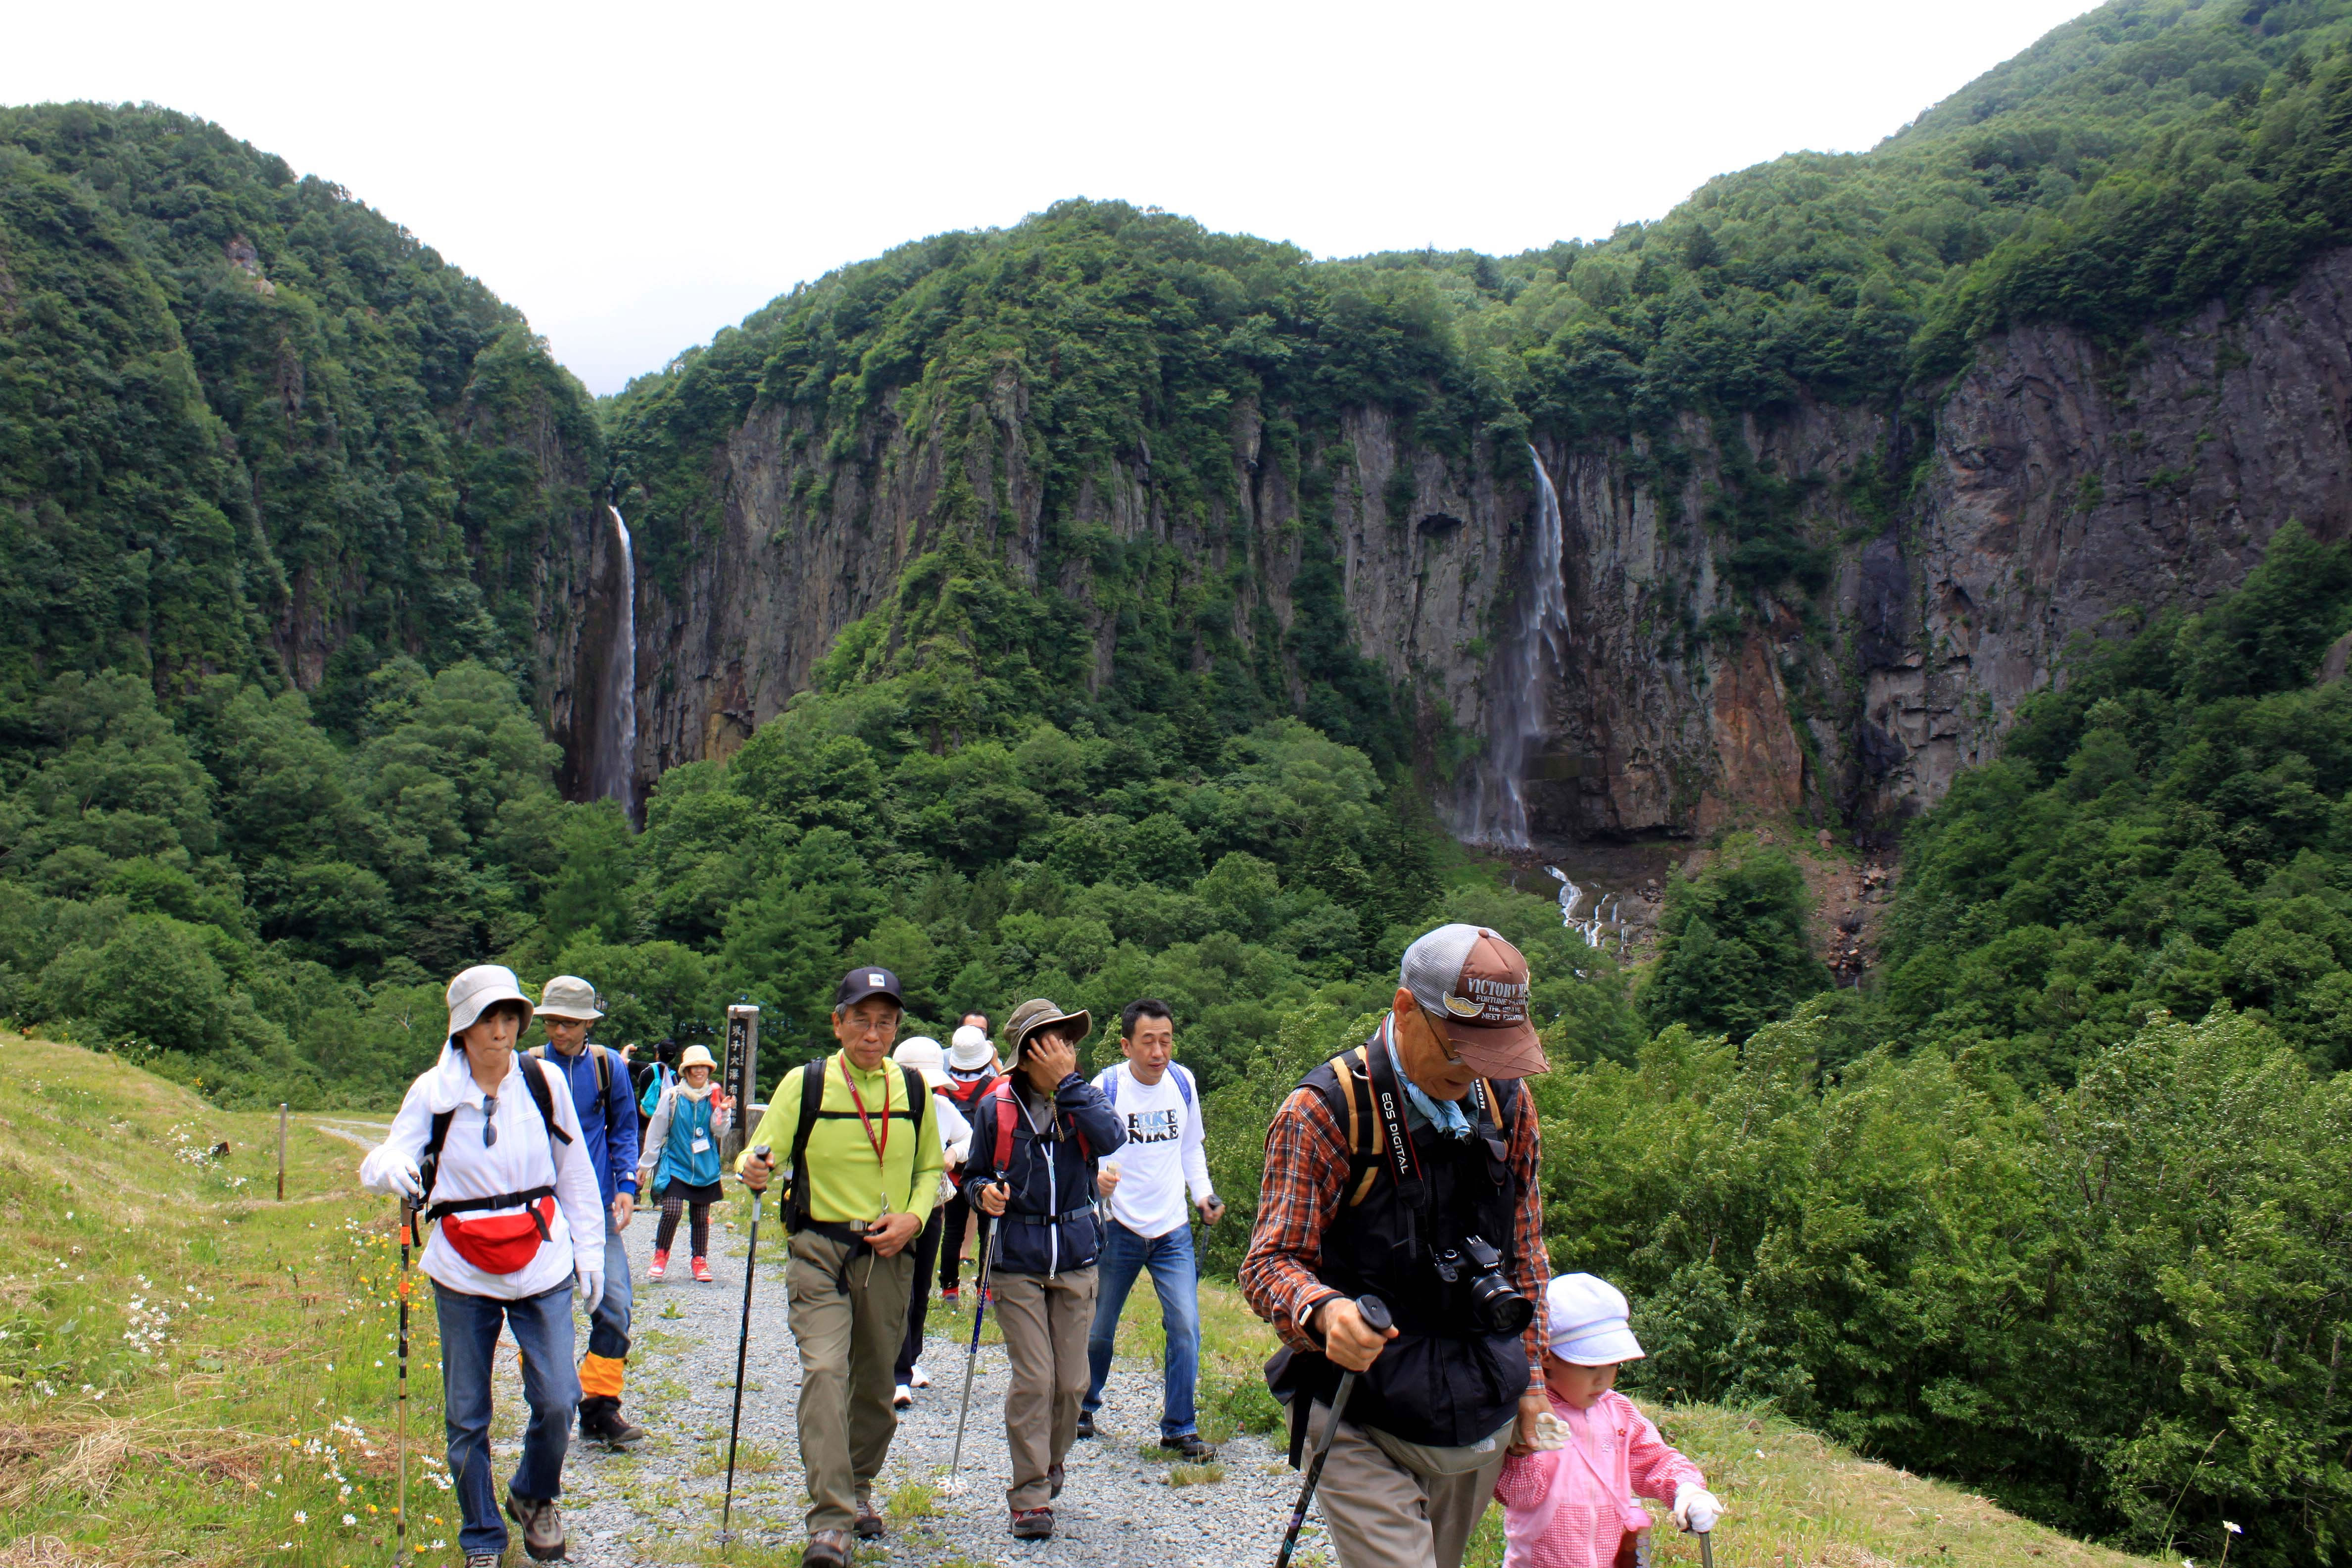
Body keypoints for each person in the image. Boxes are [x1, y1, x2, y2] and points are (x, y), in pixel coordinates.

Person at [1240, 923, 1555, 1568]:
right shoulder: (1327, 1111)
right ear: (1405, 1009)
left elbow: (1525, 1250)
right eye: (1462, 1049)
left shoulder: (1508, 1104)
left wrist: (1534, 1382)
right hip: (1359, 1408)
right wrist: (1324, 1314)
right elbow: (1270, 1262)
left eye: (1495, 1055)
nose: (1475, 1073)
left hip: (1476, 1407)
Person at [360, 966, 604, 1568]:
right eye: (486, 1019)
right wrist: (390, 1169)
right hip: (462, 1267)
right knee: (467, 1412)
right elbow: (388, 1154)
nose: (500, 1031)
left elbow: (573, 1174)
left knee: (558, 1397)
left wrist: (590, 1249)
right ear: (461, 1031)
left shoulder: (542, 1080)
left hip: (541, 1258)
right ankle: (482, 1537)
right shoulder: (433, 1092)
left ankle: (533, 1494)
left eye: (508, 1018)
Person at [737, 968, 945, 1568]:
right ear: (838, 1022)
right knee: (826, 1373)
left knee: (878, 1387)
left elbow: (931, 1170)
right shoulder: (806, 1085)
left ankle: (858, 1486)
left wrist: (913, 1217)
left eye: (885, 1022)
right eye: (861, 1019)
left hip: (888, 1255)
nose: (873, 1033)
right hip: (819, 1252)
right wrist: (754, 1168)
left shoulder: (913, 1089)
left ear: (896, 1027)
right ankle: (831, 1522)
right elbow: (763, 1153)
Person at [965, 999, 1126, 1541]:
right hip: (1017, 1262)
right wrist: (983, 1193)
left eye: (1069, 1042)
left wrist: (1070, 1084)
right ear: (1028, 1053)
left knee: (1073, 1383)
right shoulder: (997, 1107)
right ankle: (1030, 1493)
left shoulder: (1084, 1100)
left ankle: (1053, 1462)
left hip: (1077, 1257)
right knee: (1036, 1379)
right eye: (1053, 1043)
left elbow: (1112, 1138)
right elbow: (974, 1175)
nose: (1065, 1051)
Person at [1494, 1274, 1724, 1568]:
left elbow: (1654, 1460)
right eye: (1590, 1365)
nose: (1604, 1379)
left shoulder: (1619, 1412)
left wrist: (1686, 1489)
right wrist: (1523, 1450)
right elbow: (1519, 1496)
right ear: (1546, 1356)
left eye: (1613, 1364)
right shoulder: (1532, 1417)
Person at [1078, 998, 1223, 1456]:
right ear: (1127, 1045)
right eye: (1148, 1042)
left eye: (1166, 1040)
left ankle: (1179, 1426)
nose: (1159, 1051)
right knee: (1100, 1328)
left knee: (1186, 1325)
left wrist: (1203, 1194)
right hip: (1119, 1226)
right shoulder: (1107, 1087)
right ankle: (1083, 1405)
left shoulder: (1183, 1083)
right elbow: (1085, 1150)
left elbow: (1190, 1148)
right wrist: (1095, 1180)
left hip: (1172, 1229)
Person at [526, 976, 644, 1449]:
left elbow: (624, 1127)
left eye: (570, 1023)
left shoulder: (607, 1066)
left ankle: (599, 1405)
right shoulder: (527, 1067)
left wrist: (626, 1185)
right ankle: (548, 1405)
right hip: (539, 1215)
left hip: (595, 1211)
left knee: (615, 1305)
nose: (560, 1031)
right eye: (553, 1021)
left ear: (588, 1024)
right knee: (541, 1310)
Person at [887, 1035, 973, 1408]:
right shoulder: (884, 1106)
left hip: (933, 1204)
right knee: (895, 1288)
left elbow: (970, 1138)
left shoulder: (941, 1106)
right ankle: (895, 1371)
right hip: (891, 1206)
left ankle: (910, 1360)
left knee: (921, 1286)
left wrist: (953, 1152)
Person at [636, 1043, 733, 1282]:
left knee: (701, 1217)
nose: (700, 1071)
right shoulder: (672, 1097)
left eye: (704, 1067)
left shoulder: (715, 1096)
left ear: (709, 1070)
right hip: (676, 1163)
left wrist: (723, 1112)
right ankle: (661, 1255)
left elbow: (719, 1132)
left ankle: (699, 1260)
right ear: (686, 1071)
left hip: (705, 1165)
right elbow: (657, 1130)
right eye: (694, 1067)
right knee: (671, 1210)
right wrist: (645, 1166)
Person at [935, 1023, 1001, 1305]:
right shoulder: (997, 1085)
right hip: (986, 1172)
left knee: (953, 1230)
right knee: (988, 1229)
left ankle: (949, 1288)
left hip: (954, 1171)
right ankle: (984, 1289)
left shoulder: (943, 1086)